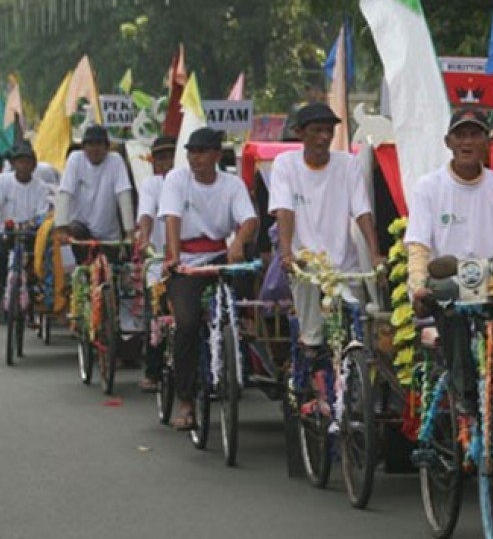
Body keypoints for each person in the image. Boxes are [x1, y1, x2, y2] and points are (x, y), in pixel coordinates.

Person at [404, 107, 493, 414]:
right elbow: (418, 246)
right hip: (447, 285)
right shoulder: (429, 187)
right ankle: (465, 397)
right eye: (461, 134)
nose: (467, 141)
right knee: (451, 309)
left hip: (492, 283)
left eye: (475, 134)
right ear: (449, 141)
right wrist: (417, 286)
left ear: (487, 141)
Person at [159, 127, 258, 430]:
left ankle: (242, 324)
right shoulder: (177, 179)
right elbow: (172, 219)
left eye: (202, 152)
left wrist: (238, 243)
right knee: (187, 325)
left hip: (219, 256)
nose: (195, 158)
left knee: (247, 270)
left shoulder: (232, 184)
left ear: (216, 155)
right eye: (191, 152)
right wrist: (174, 257)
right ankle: (186, 401)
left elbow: (250, 220)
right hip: (186, 261)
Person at [268, 102, 383, 350]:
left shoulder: (348, 164)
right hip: (305, 262)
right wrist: (286, 252)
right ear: (300, 132)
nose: (323, 138)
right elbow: (284, 210)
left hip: (343, 263)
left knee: (355, 318)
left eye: (328, 131)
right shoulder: (285, 164)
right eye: (316, 131)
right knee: (313, 334)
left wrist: (374, 254)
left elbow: (362, 211)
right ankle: (310, 348)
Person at [134, 135, 177, 392]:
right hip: (159, 260)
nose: (166, 162)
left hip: (188, 261)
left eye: (170, 156)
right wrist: (145, 237)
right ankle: (152, 371)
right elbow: (146, 213)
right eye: (160, 158)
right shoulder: (151, 185)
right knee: (156, 315)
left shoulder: (186, 180)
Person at [54, 125, 135, 254]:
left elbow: (124, 195)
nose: (94, 149)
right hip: (81, 230)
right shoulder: (75, 159)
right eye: (90, 144)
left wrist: (130, 231)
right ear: (83, 147)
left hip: (109, 235)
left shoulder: (115, 161)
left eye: (98, 144)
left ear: (106, 147)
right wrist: (61, 227)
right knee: (82, 268)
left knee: (112, 270)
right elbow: (65, 193)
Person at [0, 141, 52, 290]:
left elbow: (42, 215)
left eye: (28, 162)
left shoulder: (41, 187)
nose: (24, 166)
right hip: (5, 233)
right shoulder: (3, 181)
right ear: (13, 164)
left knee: (41, 259)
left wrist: (27, 225)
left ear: (34, 165)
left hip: (29, 234)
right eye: (20, 162)